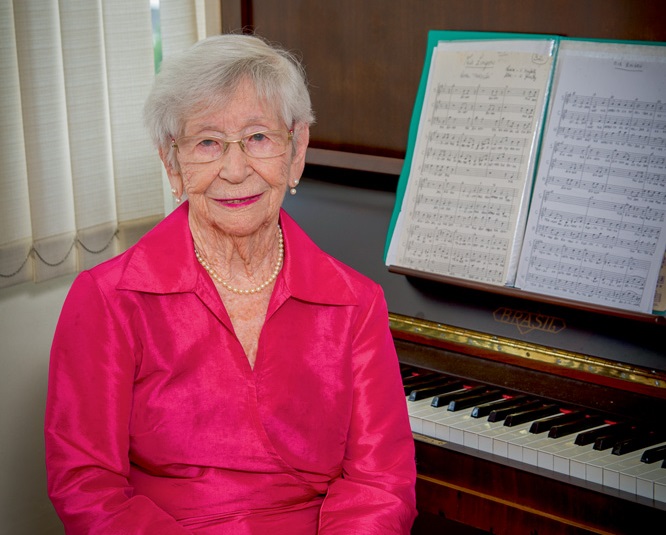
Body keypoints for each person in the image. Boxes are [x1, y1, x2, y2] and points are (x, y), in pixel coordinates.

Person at [44, 34, 417, 534]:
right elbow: (86, 484)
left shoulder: (356, 301)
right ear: (172, 163)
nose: (236, 170)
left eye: (259, 137)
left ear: (297, 149)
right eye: (207, 143)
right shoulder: (109, 298)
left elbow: (380, 483)